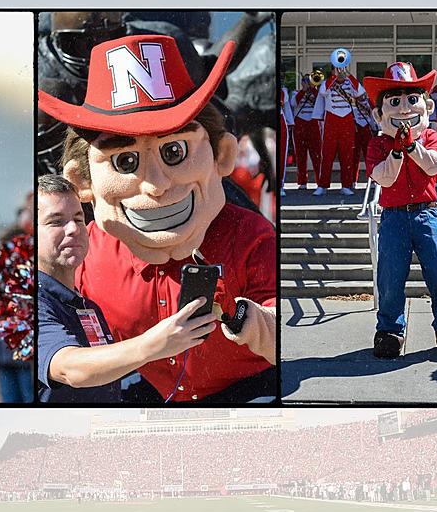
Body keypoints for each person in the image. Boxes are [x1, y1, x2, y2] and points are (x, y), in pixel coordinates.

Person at [39, 34, 277, 403]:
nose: (155, 185)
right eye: (126, 161)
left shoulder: (249, 234)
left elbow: (285, 336)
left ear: (222, 156)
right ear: (83, 181)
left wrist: (242, 316)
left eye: (174, 151)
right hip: (145, 396)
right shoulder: (85, 252)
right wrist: (151, 347)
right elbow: (65, 354)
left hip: (247, 393)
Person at [36, 175, 215, 402]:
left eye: (79, 219)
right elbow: (69, 369)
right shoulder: (34, 302)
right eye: (56, 221)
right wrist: (153, 345)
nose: (73, 229)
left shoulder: (85, 305)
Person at [364, 62, 437, 361]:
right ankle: (389, 331)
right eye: (394, 102)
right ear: (380, 113)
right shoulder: (377, 144)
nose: (404, 109)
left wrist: (413, 148)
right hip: (394, 216)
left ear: (426, 105)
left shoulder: (432, 137)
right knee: (390, 276)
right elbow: (384, 177)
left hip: (426, 214)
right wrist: (397, 151)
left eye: (412, 100)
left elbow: (435, 165)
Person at [313, 52, 365, 196]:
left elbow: (361, 92)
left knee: (347, 154)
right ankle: (322, 185)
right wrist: (334, 76)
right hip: (331, 121)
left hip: (347, 121)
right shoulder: (327, 83)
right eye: (337, 67)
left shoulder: (350, 82)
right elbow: (323, 92)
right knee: (327, 154)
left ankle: (346, 185)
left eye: (342, 66)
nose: (340, 70)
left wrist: (348, 75)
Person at [291, 72, 322, 191]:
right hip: (300, 124)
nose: (308, 84)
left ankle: (320, 181)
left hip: (313, 124)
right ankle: (302, 181)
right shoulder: (296, 93)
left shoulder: (317, 93)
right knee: (300, 155)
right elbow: (294, 103)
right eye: (306, 82)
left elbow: (320, 104)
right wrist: (303, 91)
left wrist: (313, 90)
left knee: (317, 155)